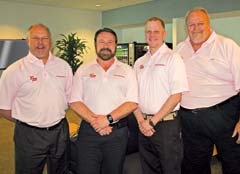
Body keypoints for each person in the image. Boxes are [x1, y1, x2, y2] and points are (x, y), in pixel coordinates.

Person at [0, 23, 73, 174]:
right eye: (35, 38)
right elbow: (3, 107)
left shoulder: (64, 66)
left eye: (44, 38)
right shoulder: (13, 71)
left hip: (60, 131)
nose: (40, 43)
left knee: (61, 170)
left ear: (50, 42)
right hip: (29, 135)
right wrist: (28, 120)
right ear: (27, 41)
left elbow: (70, 97)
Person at [175, 7, 240, 174]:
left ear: (209, 24)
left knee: (234, 162)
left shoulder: (227, 45)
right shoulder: (179, 50)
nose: (196, 28)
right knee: (193, 166)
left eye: (200, 23)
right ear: (186, 27)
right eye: (191, 24)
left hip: (224, 115)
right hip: (190, 119)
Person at [69, 28, 138, 174]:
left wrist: (108, 119)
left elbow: (132, 102)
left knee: (113, 170)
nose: (105, 45)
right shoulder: (83, 70)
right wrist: (97, 122)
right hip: (89, 131)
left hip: (117, 133)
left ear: (116, 45)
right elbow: (74, 100)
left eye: (110, 42)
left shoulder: (128, 71)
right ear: (95, 45)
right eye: (101, 41)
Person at [133, 17, 188, 174]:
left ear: (164, 33)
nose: (152, 35)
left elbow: (176, 96)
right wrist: (141, 121)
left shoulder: (173, 58)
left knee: (170, 169)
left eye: (156, 31)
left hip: (165, 126)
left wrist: (152, 122)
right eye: (148, 31)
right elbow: (133, 96)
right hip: (143, 124)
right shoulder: (139, 62)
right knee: (148, 168)